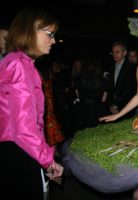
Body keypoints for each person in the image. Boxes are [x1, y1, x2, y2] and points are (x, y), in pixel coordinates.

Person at [0, 6, 63, 199]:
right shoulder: (20, 65)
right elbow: (24, 128)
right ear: (30, 30)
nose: (53, 40)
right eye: (50, 34)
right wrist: (48, 159)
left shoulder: (16, 61)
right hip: (18, 153)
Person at [106, 40, 137, 119]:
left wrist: (116, 105)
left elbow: (130, 90)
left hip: (127, 107)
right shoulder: (111, 67)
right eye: (113, 52)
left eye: (117, 51)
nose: (114, 54)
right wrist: (111, 105)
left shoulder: (131, 67)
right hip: (113, 108)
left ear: (125, 53)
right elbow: (110, 89)